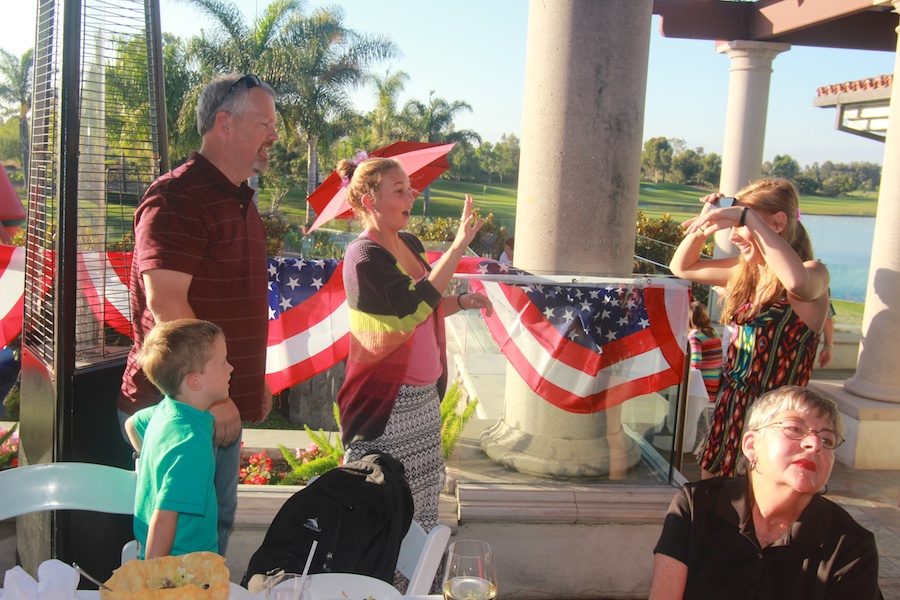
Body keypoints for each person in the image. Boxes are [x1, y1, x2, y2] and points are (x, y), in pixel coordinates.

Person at [118, 73, 278, 554]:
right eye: (264, 123)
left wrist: (251, 381)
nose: (274, 135)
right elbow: (166, 304)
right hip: (184, 409)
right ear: (224, 123)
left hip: (211, 405)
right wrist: (211, 399)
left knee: (212, 536)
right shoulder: (177, 198)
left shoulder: (239, 200)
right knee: (180, 553)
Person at [335, 156, 493, 533]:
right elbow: (411, 307)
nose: (412, 195)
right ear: (369, 201)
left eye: (411, 187)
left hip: (423, 402)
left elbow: (428, 308)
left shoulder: (408, 241)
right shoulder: (363, 256)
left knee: (422, 508)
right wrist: (458, 247)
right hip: (388, 407)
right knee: (385, 513)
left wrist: (462, 301)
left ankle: (417, 586)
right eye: (400, 190)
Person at [649, 385, 883, 600]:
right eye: (794, 428)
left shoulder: (850, 545)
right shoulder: (696, 506)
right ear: (751, 445)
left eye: (827, 439)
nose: (814, 443)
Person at [670, 179, 830, 479]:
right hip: (730, 410)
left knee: (757, 509)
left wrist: (749, 218)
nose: (734, 236)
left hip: (777, 420)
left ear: (778, 223)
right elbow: (682, 267)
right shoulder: (748, 272)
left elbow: (796, 283)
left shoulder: (813, 272)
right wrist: (706, 222)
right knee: (711, 504)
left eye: (741, 225)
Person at [125, 319, 232, 559]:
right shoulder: (191, 444)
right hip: (182, 569)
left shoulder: (166, 410)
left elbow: (131, 424)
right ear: (195, 381)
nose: (231, 368)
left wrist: (151, 466)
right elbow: (163, 521)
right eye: (223, 362)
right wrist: (153, 585)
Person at [687, 301, 722, 403]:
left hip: (702, 390)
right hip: (714, 387)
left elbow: (695, 363)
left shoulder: (695, 335)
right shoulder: (713, 332)